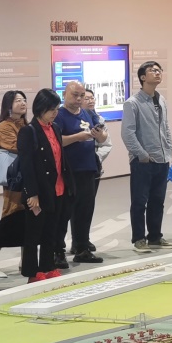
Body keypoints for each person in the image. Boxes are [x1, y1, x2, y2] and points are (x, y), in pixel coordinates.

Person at [121, 61, 172, 254]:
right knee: (139, 202)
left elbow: (165, 127)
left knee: (157, 201)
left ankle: (155, 237)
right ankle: (139, 239)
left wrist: (168, 149)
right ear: (143, 77)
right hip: (143, 161)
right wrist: (142, 155)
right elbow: (127, 133)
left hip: (162, 159)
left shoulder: (161, 100)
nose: (157, 73)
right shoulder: (132, 103)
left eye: (159, 70)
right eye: (153, 70)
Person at [19, 90, 71, 282]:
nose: (55, 113)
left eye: (57, 109)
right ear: (40, 108)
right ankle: (32, 272)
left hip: (57, 188)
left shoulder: (55, 128)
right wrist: (32, 193)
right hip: (38, 191)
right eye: (51, 110)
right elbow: (26, 165)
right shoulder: (28, 131)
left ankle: (48, 266)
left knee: (51, 230)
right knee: (34, 234)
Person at [55, 80, 108, 264]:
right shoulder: (59, 115)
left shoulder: (87, 113)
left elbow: (102, 136)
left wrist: (100, 135)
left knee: (85, 211)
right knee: (64, 213)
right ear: (64, 95)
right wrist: (77, 137)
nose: (78, 99)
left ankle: (82, 248)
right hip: (68, 171)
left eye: (81, 96)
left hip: (88, 169)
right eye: (75, 95)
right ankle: (58, 251)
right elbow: (56, 140)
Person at [0, 90, 27, 278]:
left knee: (27, 218)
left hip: (28, 176)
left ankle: (25, 260)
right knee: (9, 216)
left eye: (24, 100)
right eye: (18, 100)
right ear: (8, 105)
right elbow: (17, 146)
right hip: (14, 179)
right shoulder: (4, 125)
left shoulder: (25, 124)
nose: (22, 103)